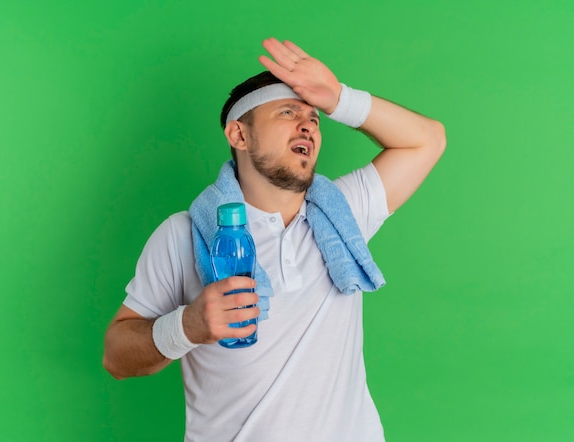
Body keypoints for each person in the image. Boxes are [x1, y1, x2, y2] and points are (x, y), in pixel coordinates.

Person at [103, 37, 446, 441]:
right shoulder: (184, 235)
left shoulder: (343, 217)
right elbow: (116, 356)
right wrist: (189, 326)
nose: (308, 124)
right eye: (288, 112)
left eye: (315, 119)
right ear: (239, 135)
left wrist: (339, 98)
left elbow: (428, 140)